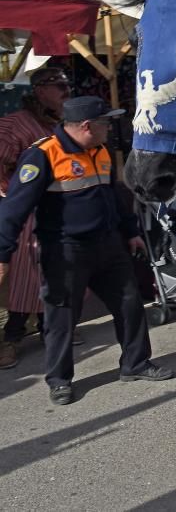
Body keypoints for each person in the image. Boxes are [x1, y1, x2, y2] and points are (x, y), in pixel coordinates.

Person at [0, 97, 174, 405]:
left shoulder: (100, 150)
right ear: (86, 125)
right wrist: (3, 253)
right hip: (65, 251)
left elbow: (112, 198)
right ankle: (59, 380)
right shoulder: (42, 155)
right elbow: (13, 210)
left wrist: (131, 232)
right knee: (62, 318)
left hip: (108, 245)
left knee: (130, 305)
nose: (110, 127)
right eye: (105, 122)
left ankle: (135, 363)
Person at [0, 67, 71, 369]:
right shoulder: (14, 123)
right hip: (21, 211)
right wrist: (7, 194)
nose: (66, 94)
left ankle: (46, 328)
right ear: (41, 89)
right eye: (60, 88)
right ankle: (10, 338)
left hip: (50, 208)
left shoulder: (55, 123)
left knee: (48, 271)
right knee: (23, 276)